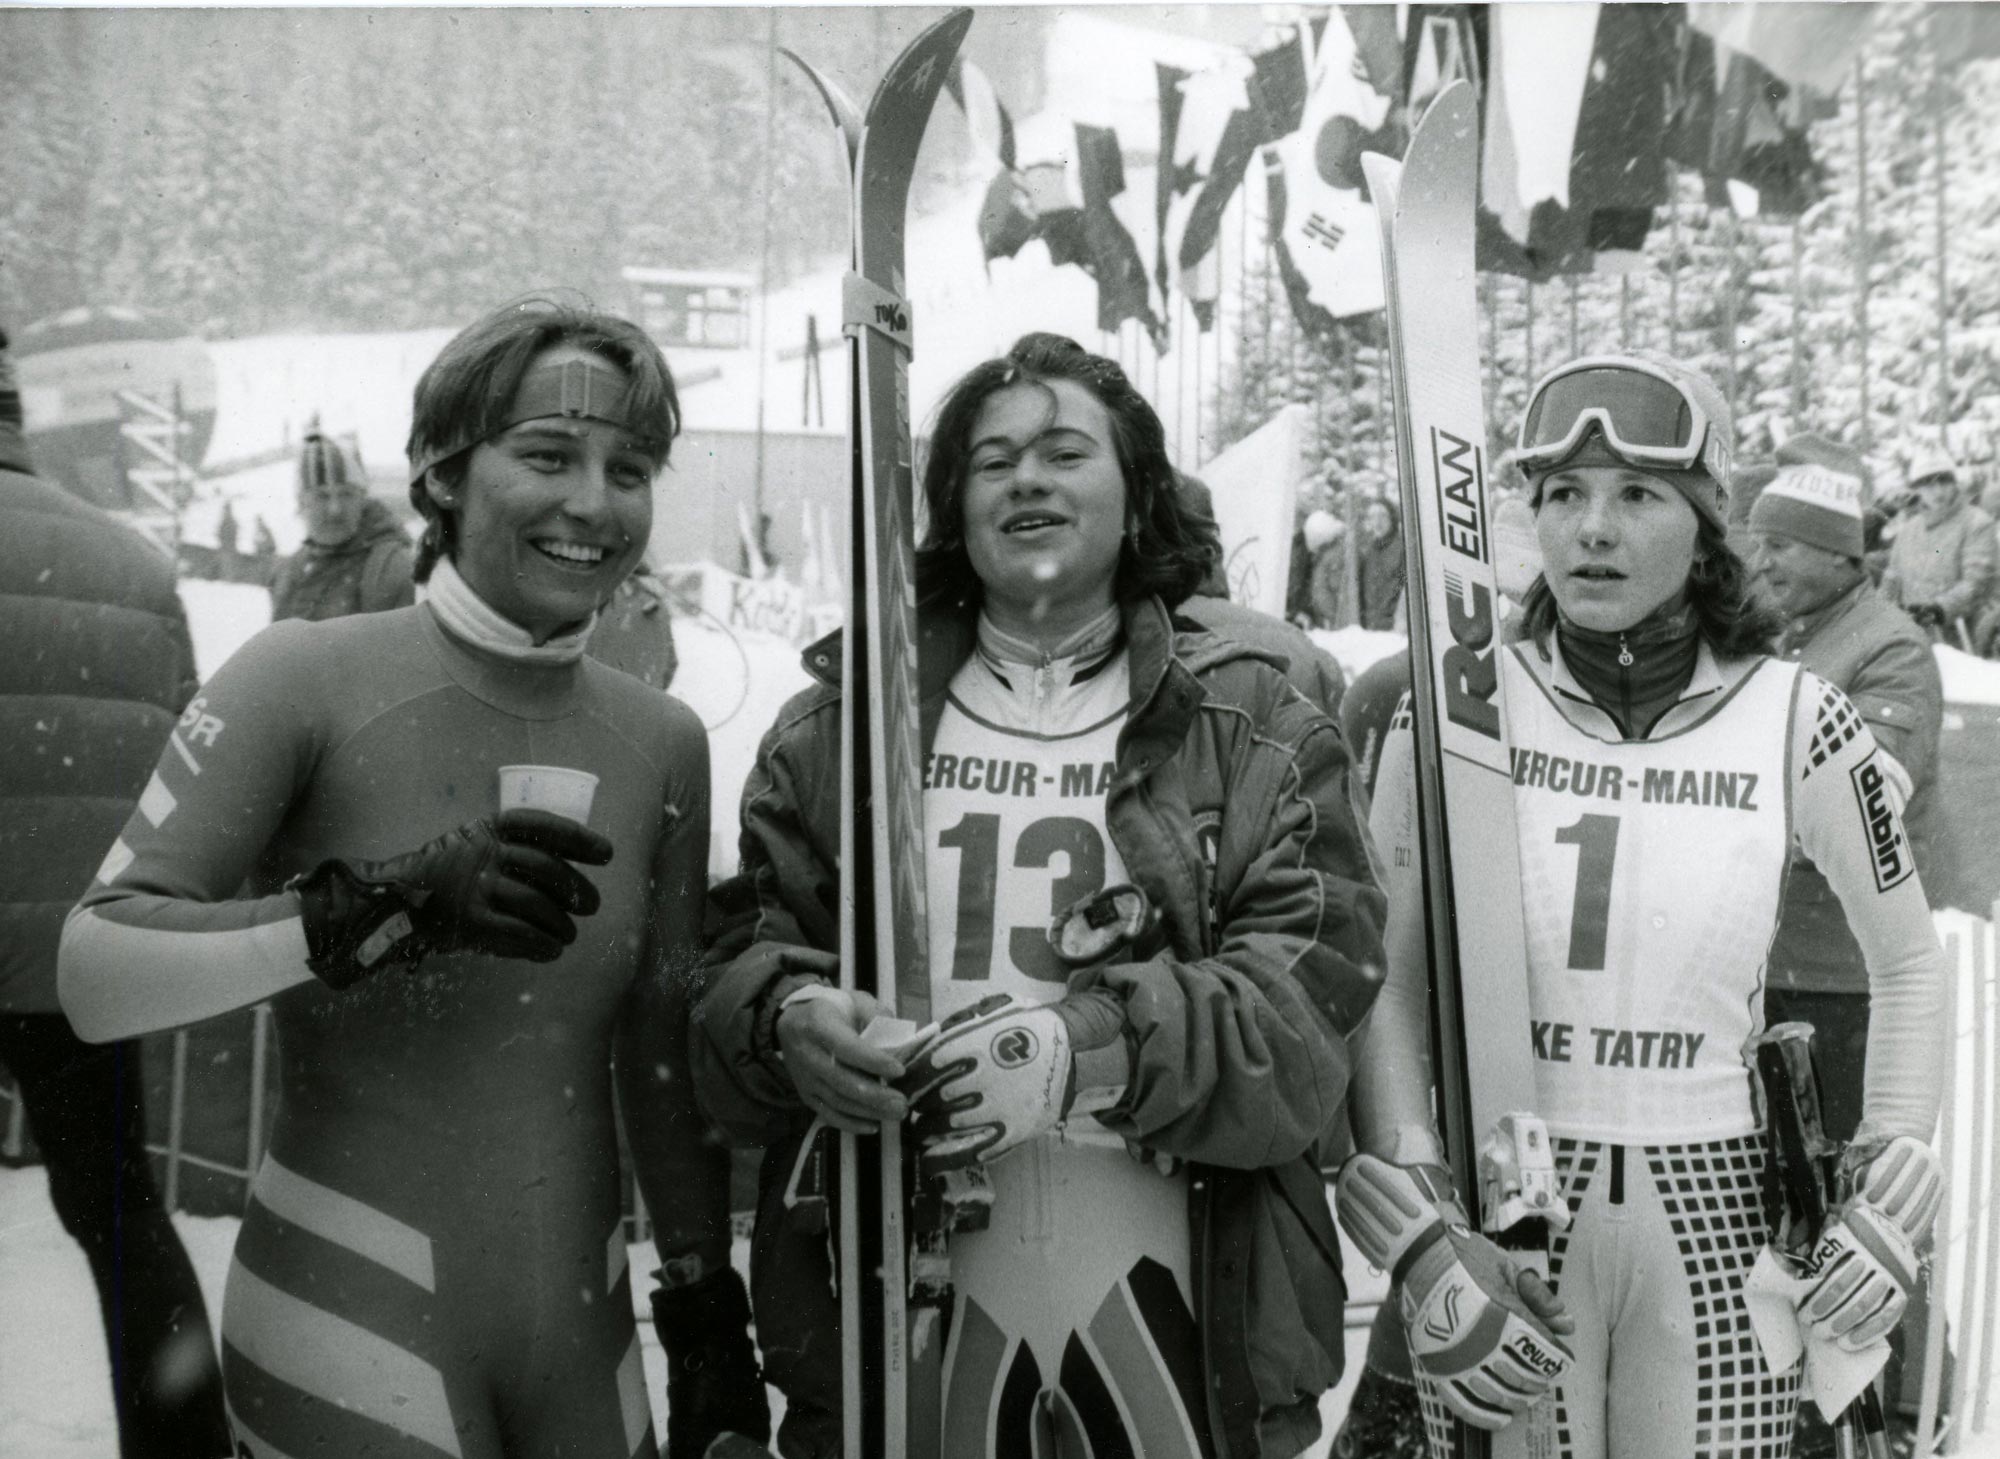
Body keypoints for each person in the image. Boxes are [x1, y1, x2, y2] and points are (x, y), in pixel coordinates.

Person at [59, 298, 767, 1459]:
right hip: (347, 1301)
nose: (593, 500)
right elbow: (96, 972)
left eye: (628, 467)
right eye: (546, 454)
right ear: (440, 473)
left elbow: (655, 1050)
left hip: (583, 1328)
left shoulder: (663, 742)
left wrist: (703, 1318)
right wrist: (370, 909)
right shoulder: (302, 677)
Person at [692, 332, 1387, 1459]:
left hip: (1177, 1253)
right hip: (903, 1273)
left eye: (1066, 452)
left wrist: (1089, 1050)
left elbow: (1310, 1002)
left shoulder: (1251, 719)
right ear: (952, 510)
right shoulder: (843, 728)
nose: (1027, 478)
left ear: (1135, 494)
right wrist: (783, 1023)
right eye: (992, 459)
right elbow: (727, 967)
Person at [1347, 352, 1948, 1459]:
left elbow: (1908, 961)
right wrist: (1419, 1203)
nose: (1592, 529)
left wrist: (1887, 1177)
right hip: (1511, 1209)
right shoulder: (1455, 705)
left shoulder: (1795, 716)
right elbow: (1385, 973)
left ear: (1705, 524)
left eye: (1636, 495)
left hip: (1714, 1207)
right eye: (1563, 494)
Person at [0, 324, 234, 1458]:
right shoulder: (130, 561)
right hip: (77, 957)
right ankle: (183, 1442)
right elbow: (183, 765)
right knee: (119, 1209)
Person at [1747, 451, 1949, 1456]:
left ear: (1834, 556)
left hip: (1844, 978)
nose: (1761, 556)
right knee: (1773, 1205)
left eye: (1779, 541)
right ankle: (1787, 1403)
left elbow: (1873, 794)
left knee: (1856, 1205)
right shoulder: (1781, 633)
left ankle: (1878, 1410)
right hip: (1764, 966)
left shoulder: (1887, 649)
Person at [267, 425, 416, 621]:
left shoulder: (391, 567)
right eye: (322, 496)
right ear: (302, 503)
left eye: (346, 494)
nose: (335, 509)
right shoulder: (288, 572)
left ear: (363, 500)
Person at [1880, 447, 1995, 649]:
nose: (1938, 491)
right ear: (1917, 489)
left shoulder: (1976, 523)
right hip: (1914, 642)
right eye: (1928, 484)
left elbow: (1977, 583)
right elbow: (1891, 582)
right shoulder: (1908, 530)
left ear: (1954, 484)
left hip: (1964, 640)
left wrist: (1939, 610)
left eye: (1944, 481)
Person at [1355, 496, 1405, 630]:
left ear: (1392, 519)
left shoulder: (1403, 549)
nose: (1377, 522)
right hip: (1370, 629)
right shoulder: (1368, 551)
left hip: (1395, 630)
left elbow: (1406, 590)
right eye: (1372, 517)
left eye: (1382, 516)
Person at [1302, 508, 1349, 629]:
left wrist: (1332, 617)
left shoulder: (1333, 555)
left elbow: (1335, 589)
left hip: (1333, 621)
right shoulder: (1324, 555)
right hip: (1327, 619)